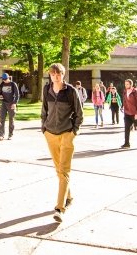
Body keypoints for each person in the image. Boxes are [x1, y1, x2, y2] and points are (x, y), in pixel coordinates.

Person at [41, 63, 83, 223]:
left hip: (66, 134)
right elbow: (44, 110)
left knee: (64, 171)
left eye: (58, 74)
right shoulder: (47, 89)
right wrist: (43, 128)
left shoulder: (71, 91)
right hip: (50, 133)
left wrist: (73, 132)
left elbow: (79, 114)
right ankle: (69, 196)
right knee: (58, 170)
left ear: (63, 75)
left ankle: (60, 208)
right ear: (50, 76)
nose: (55, 77)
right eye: (53, 74)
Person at [0, 73, 20, 141]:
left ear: (8, 78)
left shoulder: (13, 84)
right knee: (1, 119)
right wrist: (0, 96)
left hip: (11, 104)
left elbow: (17, 95)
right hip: (4, 103)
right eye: (3, 79)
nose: (4, 81)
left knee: (11, 119)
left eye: (6, 79)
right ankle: (1, 135)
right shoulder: (2, 84)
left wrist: (14, 103)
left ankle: (10, 135)